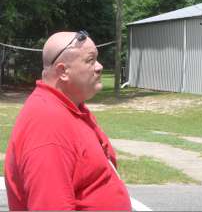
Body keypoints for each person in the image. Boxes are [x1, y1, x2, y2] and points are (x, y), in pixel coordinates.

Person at [4, 31, 131, 211]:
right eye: (90, 60)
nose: (100, 67)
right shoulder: (47, 124)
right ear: (63, 71)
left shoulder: (70, 107)